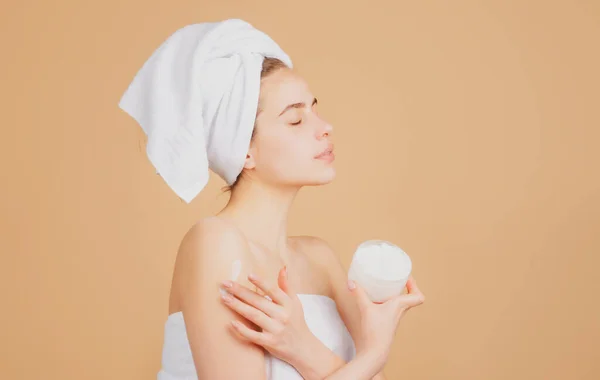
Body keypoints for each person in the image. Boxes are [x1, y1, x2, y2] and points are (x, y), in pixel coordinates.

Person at [119, 19, 424, 380]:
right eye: (296, 119)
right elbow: (367, 369)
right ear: (244, 151)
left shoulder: (319, 259)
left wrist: (305, 349)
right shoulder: (214, 243)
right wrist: (374, 353)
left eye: (314, 108)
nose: (325, 126)